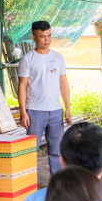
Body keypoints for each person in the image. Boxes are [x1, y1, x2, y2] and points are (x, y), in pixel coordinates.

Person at [18, 21, 71, 174]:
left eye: (49, 36)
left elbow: (63, 83)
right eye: (42, 37)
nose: (47, 40)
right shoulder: (27, 59)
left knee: (57, 151)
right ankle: (28, 185)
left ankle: (58, 184)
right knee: (30, 151)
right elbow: (22, 86)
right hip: (34, 111)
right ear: (34, 38)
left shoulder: (58, 57)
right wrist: (23, 112)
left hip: (56, 111)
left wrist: (67, 108)